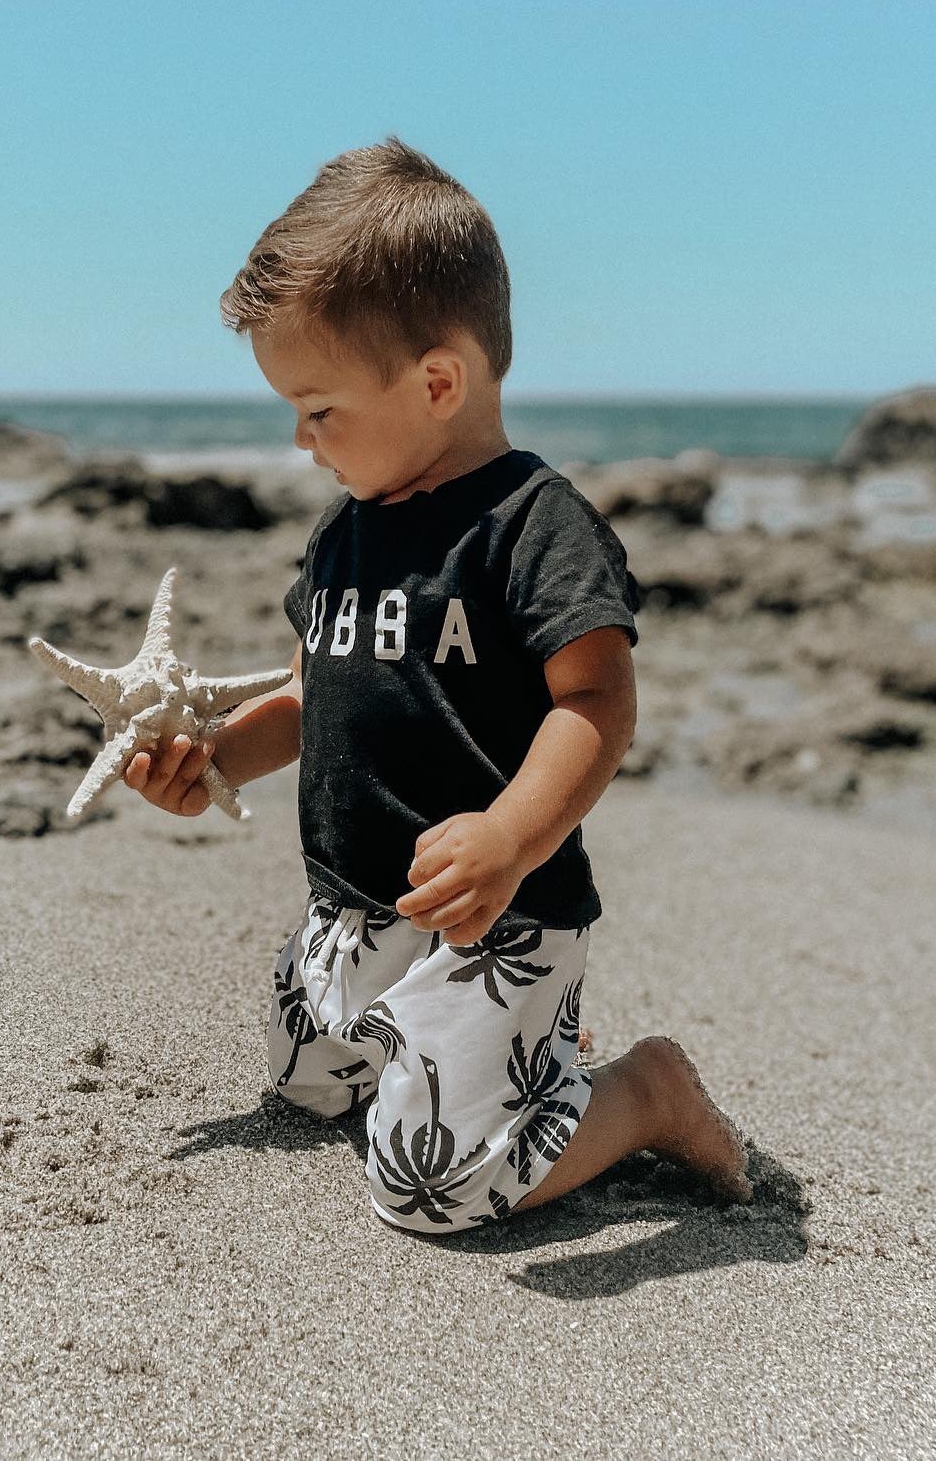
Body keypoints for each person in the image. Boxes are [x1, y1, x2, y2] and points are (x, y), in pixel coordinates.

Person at [124, 137, 753, 1234]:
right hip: (355, 904)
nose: (299, 438)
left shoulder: (533, 527)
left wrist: (510, 837)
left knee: (432, 1187)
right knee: (305, 1082)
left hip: (493, 911)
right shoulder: (344, 532)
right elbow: (309, 697)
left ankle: (640, 1091)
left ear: (437, 382)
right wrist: (214, 759)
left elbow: (597, 705)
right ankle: (518, 1054)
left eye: (320, 409)